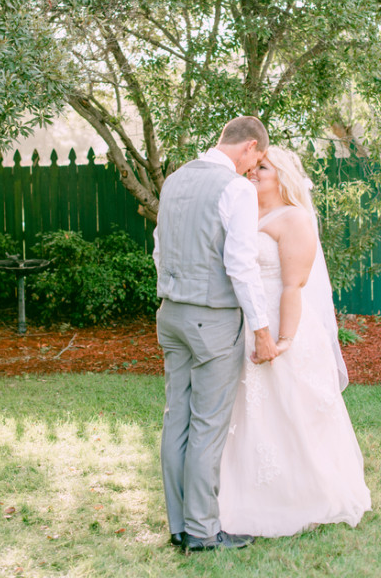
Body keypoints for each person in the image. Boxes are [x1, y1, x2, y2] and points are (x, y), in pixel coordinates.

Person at [218, 147, 371, 537]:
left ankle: (307, 494)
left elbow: (293, 286)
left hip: (286, 325)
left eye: (262, 168)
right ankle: (241, 491)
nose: (253, 173)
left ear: (282, 176)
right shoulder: (243, 213)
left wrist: (284, 339)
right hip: (246, 323)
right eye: (252, 167)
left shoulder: (294, 218)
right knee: (249, 411)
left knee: (293, 409)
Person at [154, 117, 281, 552]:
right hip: (213, 319)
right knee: (208, 425)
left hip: (170, 313)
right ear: (249, 147)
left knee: (177, 418)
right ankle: (204, 532)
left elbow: (159, 247)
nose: (254, 170)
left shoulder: (174, 180)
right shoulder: (236, 190)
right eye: (257, 160)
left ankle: (179, 526)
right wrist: (261, 331)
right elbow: (241, 266)